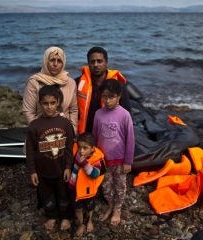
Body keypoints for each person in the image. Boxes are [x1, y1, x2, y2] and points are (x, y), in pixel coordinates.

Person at [26, 85, 75, 231]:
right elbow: (30, 150)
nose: (49, 107)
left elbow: (69, 148)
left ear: (58, 102)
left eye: (52, 103)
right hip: (42, 172)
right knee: (46, 195)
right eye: (45, 103)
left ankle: (66, 217)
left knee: (64, 194)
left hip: (61, 170)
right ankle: (52, 216)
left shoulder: (65, 123)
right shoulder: (34, 126)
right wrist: (32, 171)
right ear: (40, 104)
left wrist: (68, 167)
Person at [92, 79, 135, 226]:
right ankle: (110, 204)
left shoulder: (125, 115)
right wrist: (94, 158)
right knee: (105, 186)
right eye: (104, 97)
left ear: (119, 96)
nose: (108, 101)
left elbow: (130, 139)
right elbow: (95, 137)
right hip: (104, 160)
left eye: (111, 97)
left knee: (120, 186)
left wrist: (128, 161)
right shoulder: (98, 114)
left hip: (120, 159)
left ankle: (117, 209)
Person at [76, 46, 131, 134]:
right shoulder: (78, 83)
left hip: (109, 133)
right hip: (86, 133)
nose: (96, 65)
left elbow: (127, 112)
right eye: (92, 62)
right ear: (88, 64)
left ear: (106, 63)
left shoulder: (118, 85)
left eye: (99, 61)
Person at [23, 46, 78, 133]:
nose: (55, 64)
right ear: (45, 61)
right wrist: (40, 132)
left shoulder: (70, 82)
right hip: (40, 134)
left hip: (64, 132)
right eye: (52, 60)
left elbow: (73, 110)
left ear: (63, 63)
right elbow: (28, 111)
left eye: (59, 61)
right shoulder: (34, 82)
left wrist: (72, 130)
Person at [68, 132, 105, 237]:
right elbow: (74, 169)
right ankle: (81, 224)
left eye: (85, 148)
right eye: (79, 147)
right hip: (76, 189)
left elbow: (94, 174)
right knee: (78, 208)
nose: (81, 150)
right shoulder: (78, 154)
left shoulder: (96, 160)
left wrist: (84, 163)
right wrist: (71, 183)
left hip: (89, 190)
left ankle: (89, 221)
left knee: (90, 207)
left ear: (93, 148)